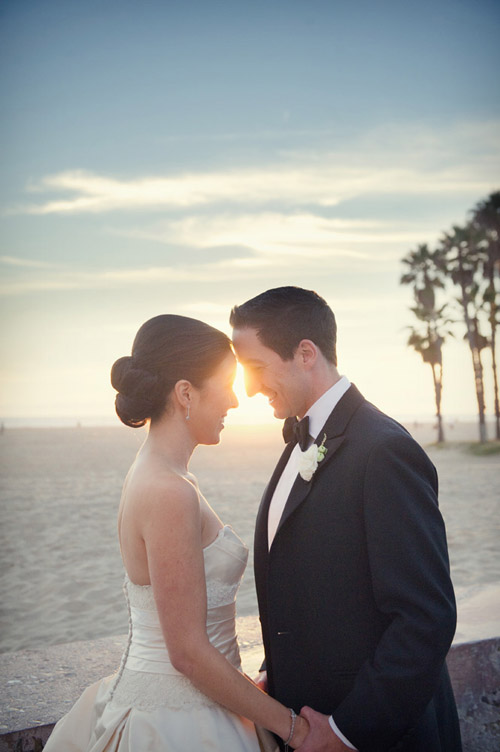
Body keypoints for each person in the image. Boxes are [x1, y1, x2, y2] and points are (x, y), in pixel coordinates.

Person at [43, 314, 309, 752]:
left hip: (203, 703)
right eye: (225, 385)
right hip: (180, 725)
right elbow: (187, 652)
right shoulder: (169, 491)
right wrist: (292, 727)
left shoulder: (159, 473)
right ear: (186, 392)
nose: (235, 402)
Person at [230, 288, 462, 752]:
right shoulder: (300, 442)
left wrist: (346, 733)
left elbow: (425, 618)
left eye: (255, 368)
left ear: (305, 354)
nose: (249, 388)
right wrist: (281, 669)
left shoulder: (384, 451)